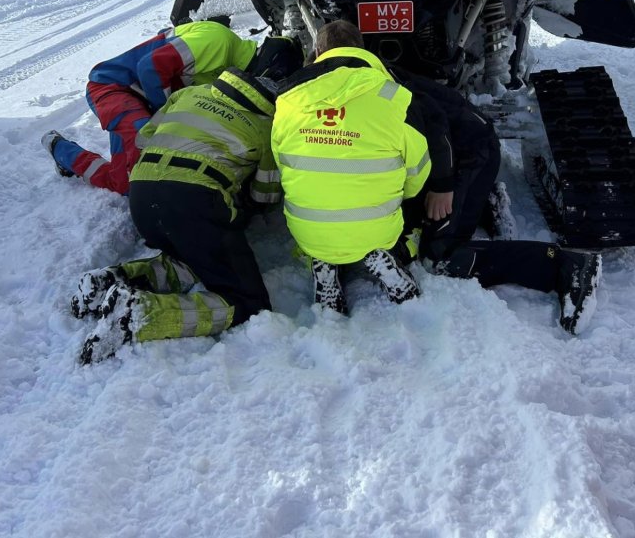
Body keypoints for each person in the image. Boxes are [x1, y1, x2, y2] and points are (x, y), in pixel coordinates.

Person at [72, 66, 288, 364]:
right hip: (196, 201)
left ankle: (110, 281)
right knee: (248, 303)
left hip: (142, 194)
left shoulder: (189, 94)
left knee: (193, 259)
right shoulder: (267, 125)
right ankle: (139, 313)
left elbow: (144, 139)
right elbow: (265, 196)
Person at [393, 68, 602, 334]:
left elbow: (436, 129)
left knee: (440, 255)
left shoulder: (380, 90)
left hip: (469, 154)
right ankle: (480, 203)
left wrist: (443, 187)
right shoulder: (365, 76)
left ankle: (565, 265)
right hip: (451, 152)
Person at [271, 20, 442, 314]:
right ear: (362, 50)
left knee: (317, 204)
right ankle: (388, 253)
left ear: (318, 51)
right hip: (377, 228)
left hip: (308, 231)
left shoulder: (288, 100)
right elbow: (418, 172)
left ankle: (323, 261)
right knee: (406, 207)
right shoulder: (394, 97)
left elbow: (281, 163)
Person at [41, 19, 300, 195]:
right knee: (140, 171)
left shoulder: (230, 71)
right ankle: (58, 148)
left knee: (129, 180)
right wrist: (166, 121)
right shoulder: (219, 40)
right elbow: (150, 68)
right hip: (115, 88)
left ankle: (67, 155)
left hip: (138, 99)